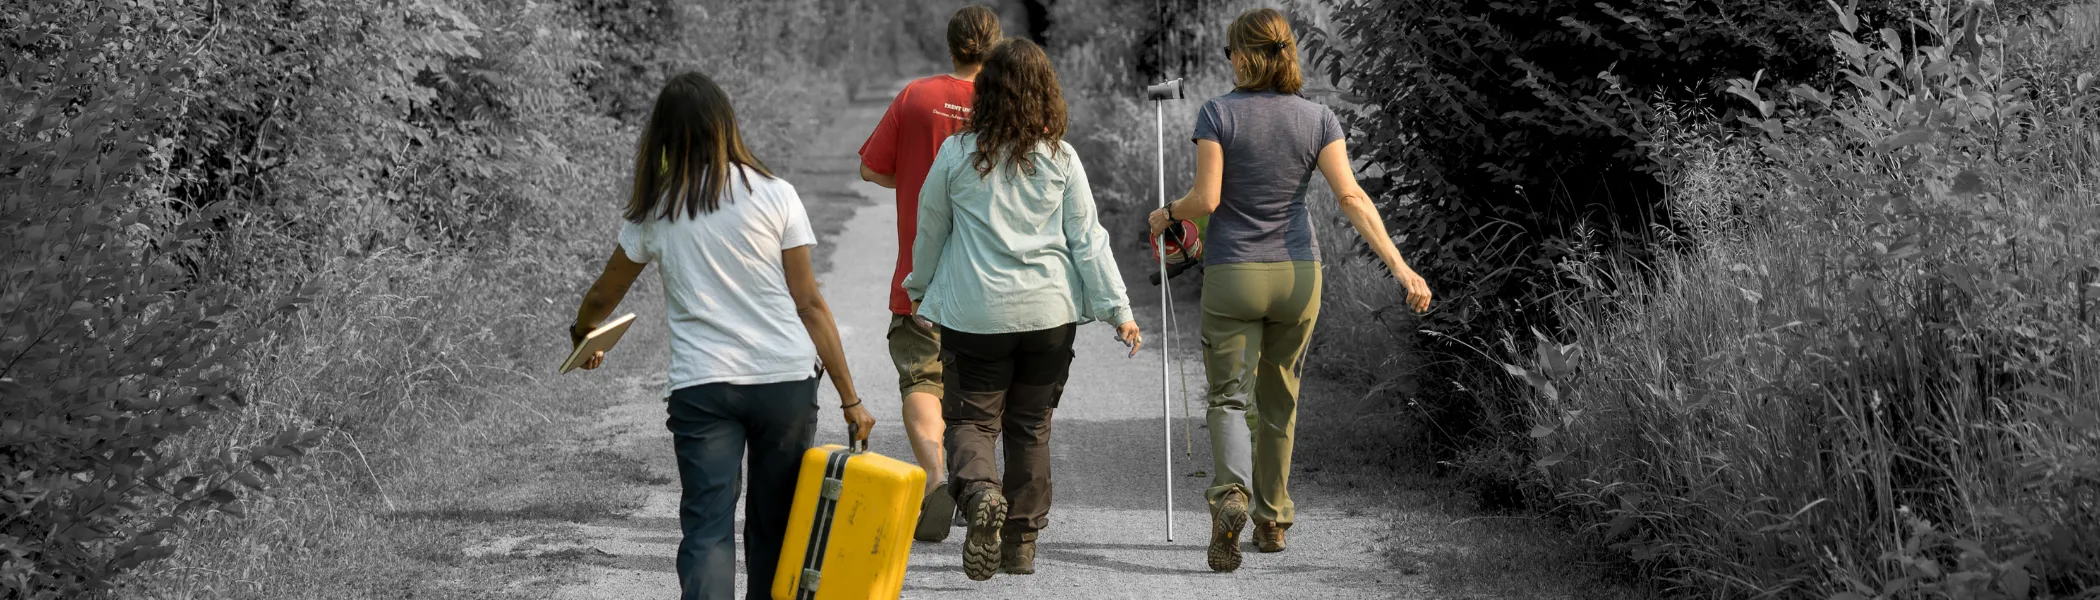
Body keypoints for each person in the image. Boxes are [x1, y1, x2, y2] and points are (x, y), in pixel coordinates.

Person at [1146, 8, 1433, 574]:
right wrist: (1403, 270)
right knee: (1281, 397)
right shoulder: (1318, 118)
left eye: (1231, 52)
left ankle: (1231, 494)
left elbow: (1206, 201)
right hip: (1299, 274)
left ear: (1244, 56)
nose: (1228, 61)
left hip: (1235, 274)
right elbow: (1351, 198)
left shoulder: (1217, 113)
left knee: (1229, 397)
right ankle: (1272, 520)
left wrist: (1165, 214)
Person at [569, 71, 876, 600]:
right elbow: (809, 304)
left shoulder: (658, 211)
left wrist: (584, 337)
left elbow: (602, 297)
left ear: (663, 137)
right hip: (784, 383)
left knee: (708, 529)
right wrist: (851, 399)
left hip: (703, 389)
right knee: (776, 529)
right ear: (724, 125)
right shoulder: (777, 195)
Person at [904, 38, 1143, 582]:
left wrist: (919, 288)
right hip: (1049, 317)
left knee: (971, 420)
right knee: (1032, 425)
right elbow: (1088, 240)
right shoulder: (1061, 156)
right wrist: (1118, 310)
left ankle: (983, 493)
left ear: (985, 93)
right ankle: (1020, 546)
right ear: (1044, 92)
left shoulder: (957, 154)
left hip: (974, 315)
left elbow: (931, 231)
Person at [857, 3, 1003, 543]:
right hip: (987, 276)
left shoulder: (916, 96)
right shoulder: (1007, 100)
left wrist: (922, 180)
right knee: (980, 389)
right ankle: (979, 484)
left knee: (922, 377)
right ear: (996, 46)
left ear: (952, 45)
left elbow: (871, 166)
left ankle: (936, 480)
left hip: (920, 276)